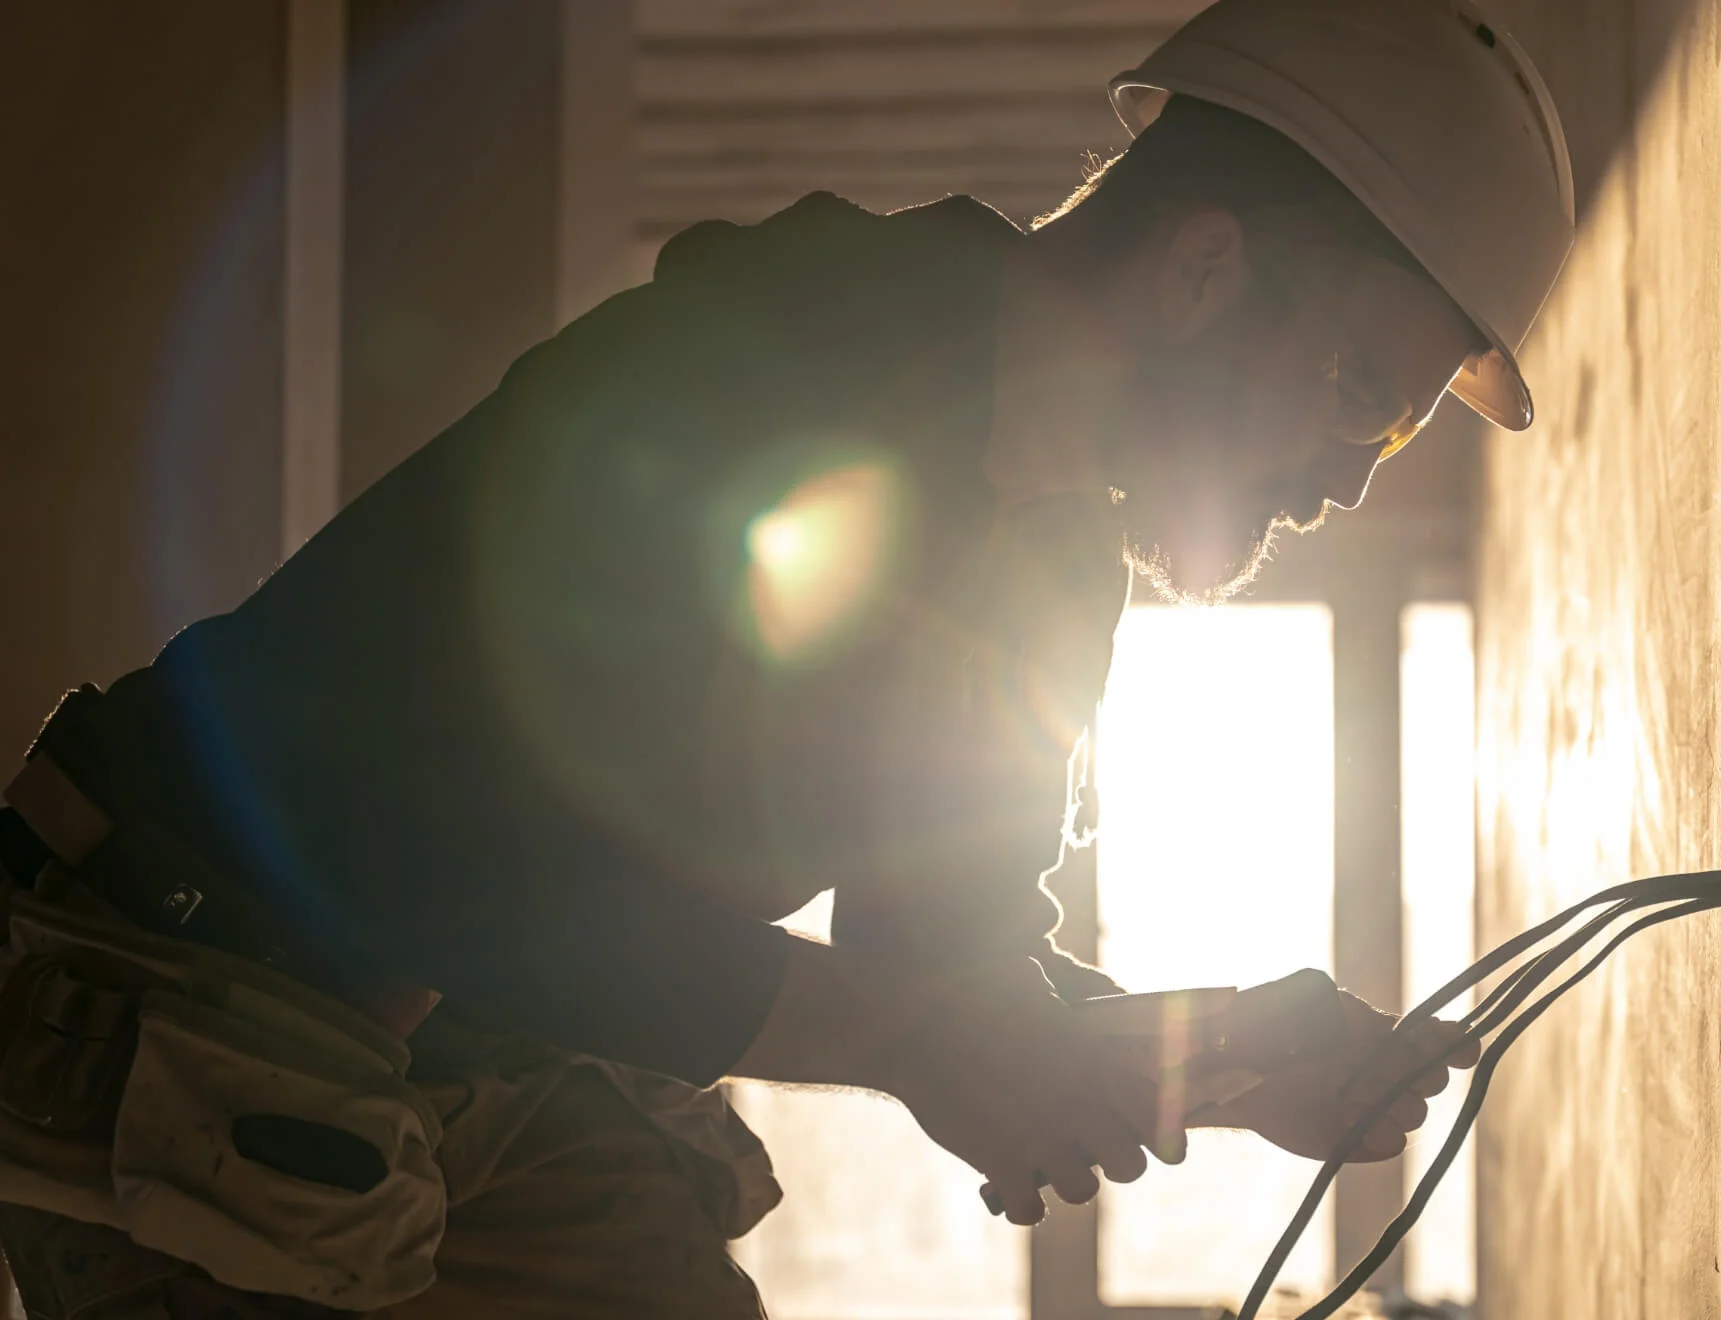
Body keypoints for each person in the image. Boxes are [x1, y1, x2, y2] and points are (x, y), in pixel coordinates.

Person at [0, 0, 1574, 1315]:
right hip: (176, 971)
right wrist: (927, 1044)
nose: (1358, 472)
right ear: (1206, 269)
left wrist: (1219, 1058)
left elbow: (934, 971)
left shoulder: (1047, 576)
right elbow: (435, 852)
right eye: (1360, 384)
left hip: (449, 1025)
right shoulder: (772, 367)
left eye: (1398, 425)